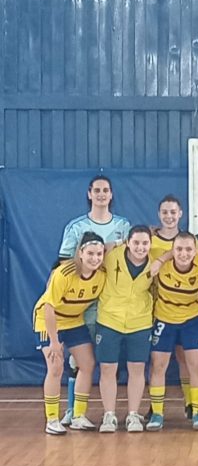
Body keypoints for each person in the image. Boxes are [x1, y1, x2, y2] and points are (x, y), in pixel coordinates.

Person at [57, 175, 131, 427]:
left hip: (112, 304)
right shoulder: (76, 227)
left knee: (108, 362)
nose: (101, 194)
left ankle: (109, 412)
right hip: (82, 305)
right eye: (97, 190)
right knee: (78, 360)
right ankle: (72, 410)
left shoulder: (123, 225)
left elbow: (132, 259)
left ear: (111, 195)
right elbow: (63, 264)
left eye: (106, 190)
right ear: (89, 194)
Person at [33, 232, 107, 434]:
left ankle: (78, 416)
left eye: (99, 254)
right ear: (80, 253)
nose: (95, 258)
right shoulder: (64, 273)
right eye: (90, 253)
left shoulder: (101, 275)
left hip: (74, 321)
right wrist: (55, 342)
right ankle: (52, 419)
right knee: (55, 367)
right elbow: (49, 307)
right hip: (48, 321)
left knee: (87, 364)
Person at [146, 233, 198, 431]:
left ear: (196, 251)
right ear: (172, 250)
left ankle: (197, 412)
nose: (184, 254)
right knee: (158, 366)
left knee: (194, 366)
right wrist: (162, 258)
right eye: (179, 249)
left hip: (192, 320)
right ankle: (157, 413)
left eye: (189, 249)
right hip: (164, 319)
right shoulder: (160, 261)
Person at [95, 226, 156, 433]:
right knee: (107, 369)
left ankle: (132, 415)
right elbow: (88, 255)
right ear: (127, 242)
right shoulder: (111, 255)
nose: (140, 247)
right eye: (136, 242)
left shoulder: (155, 261)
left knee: (137, 370)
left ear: (150, 244)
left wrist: (162, 259)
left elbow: (173, 252)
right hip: (109, 320)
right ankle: (109, 415)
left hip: (140, 322)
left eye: (145, 243)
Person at [150, 195, 194, 419]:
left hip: (187, 310)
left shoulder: (190, 241)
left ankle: (191, 403)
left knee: (185, 358)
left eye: (173, 212)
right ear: (159, 215)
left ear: (181, 214)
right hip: (156, 309)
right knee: (158, 361)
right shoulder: (150, 240)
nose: (169, 216)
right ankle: (155, 406)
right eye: (165, 212)